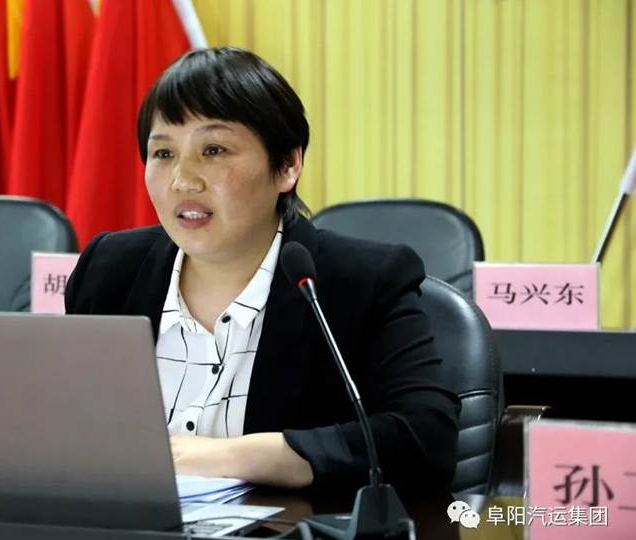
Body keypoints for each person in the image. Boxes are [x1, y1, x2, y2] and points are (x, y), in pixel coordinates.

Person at [65, 47, 460, 492]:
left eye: (213, 150)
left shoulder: (359, 281)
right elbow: (64, 423)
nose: (182, 180)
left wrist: (229, 457)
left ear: (287, 165)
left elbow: (426, 442)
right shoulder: (110, 271)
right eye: (163, 153)